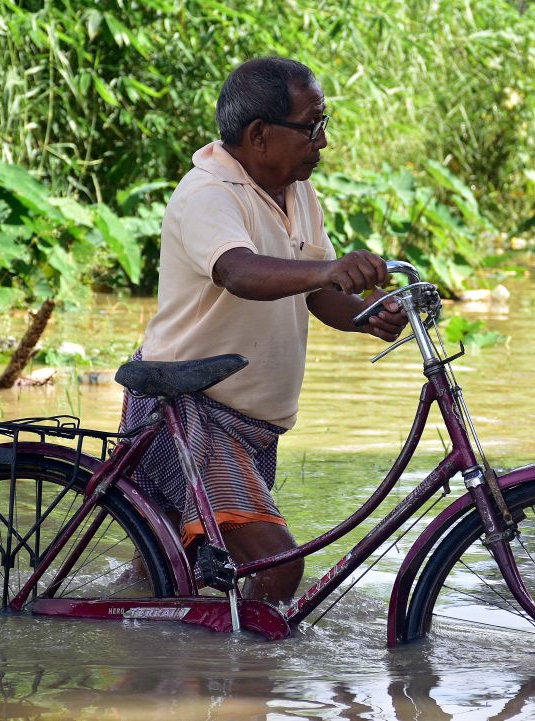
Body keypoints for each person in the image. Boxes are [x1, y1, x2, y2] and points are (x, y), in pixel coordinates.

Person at [119, 57, 408, 605]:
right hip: (190, 409)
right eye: (311, 127)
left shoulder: (295, 190)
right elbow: (239, 272)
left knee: (167, 573)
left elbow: (319, 295)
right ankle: (242, 686)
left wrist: (371, 314)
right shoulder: (208, 193)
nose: (322, 142)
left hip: (248, 423)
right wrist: (328, 269)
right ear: (258, 135)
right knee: (278, 569)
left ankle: (161, 668)